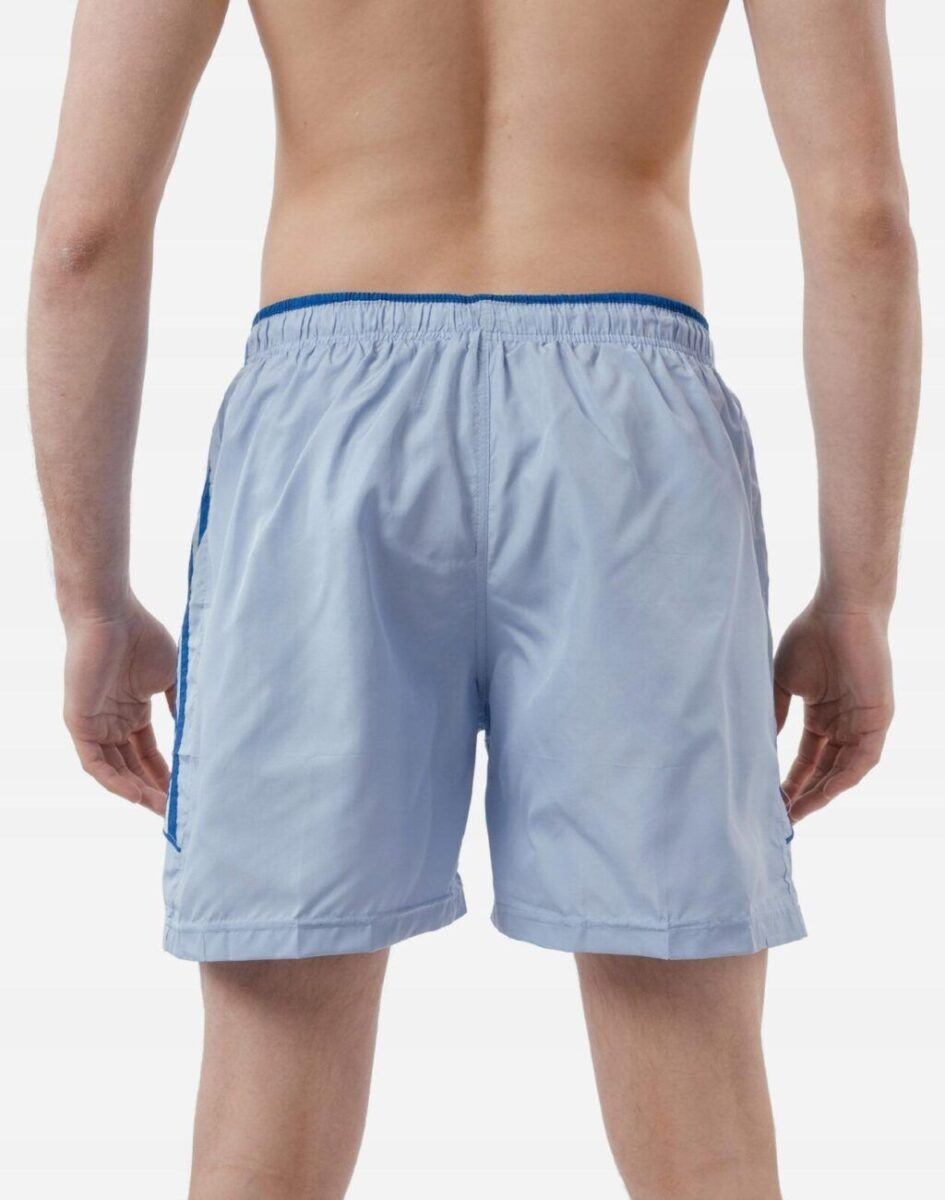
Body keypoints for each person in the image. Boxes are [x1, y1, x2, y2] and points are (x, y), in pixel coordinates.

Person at [27, 1, 919, 1197]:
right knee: (696, 1083)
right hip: (631, 432)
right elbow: (863, 220)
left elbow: (85, 232)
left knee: (267, 1087)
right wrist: (859, 599)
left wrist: (91, 605)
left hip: (328, 426)